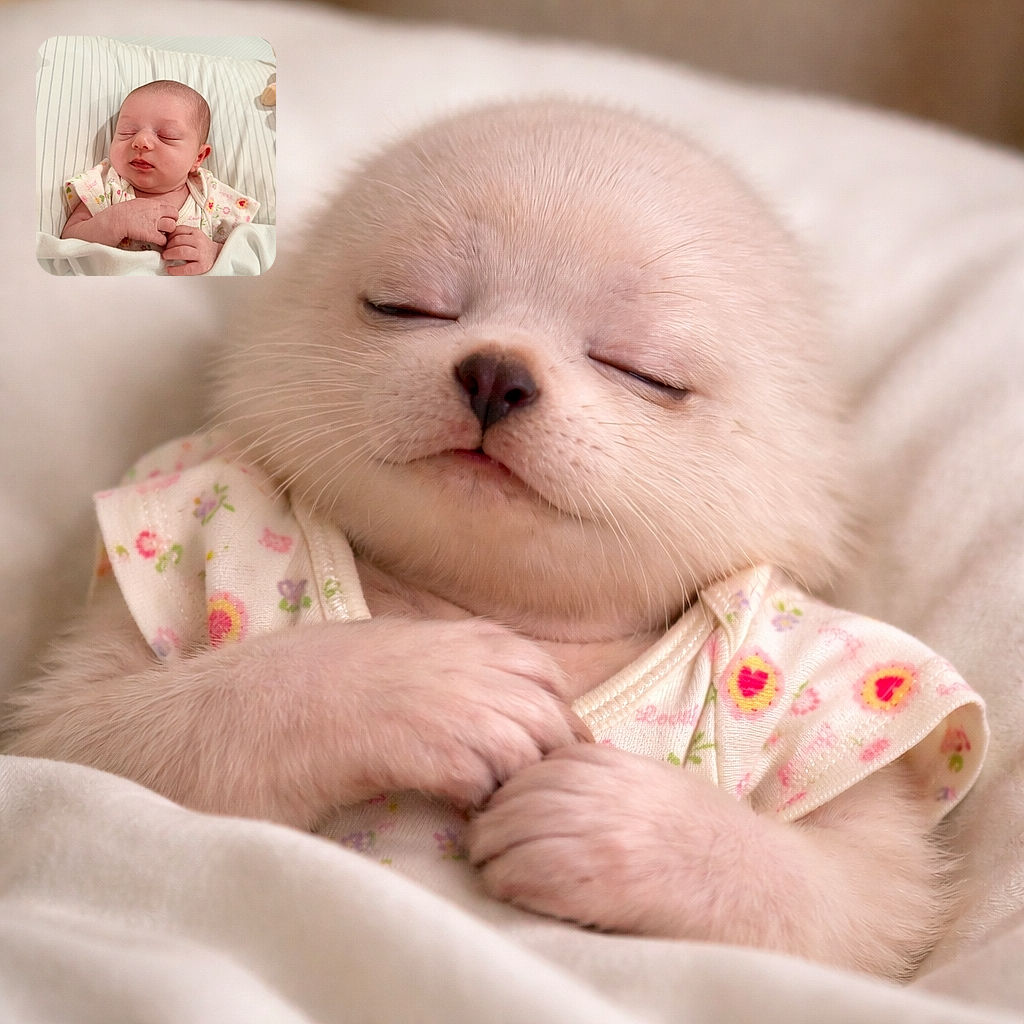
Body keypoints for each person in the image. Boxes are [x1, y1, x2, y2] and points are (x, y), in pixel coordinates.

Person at [61, 79, 258, 275]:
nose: (140, 141)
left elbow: (246, 251)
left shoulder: (209, 194)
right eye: (127, 132)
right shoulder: (106, 184)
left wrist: (215, 253)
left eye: (167, 136)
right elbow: (69, 241)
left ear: (198, 158)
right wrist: (114, 221)